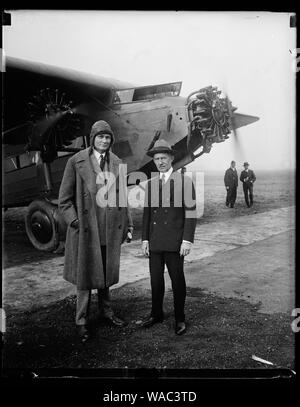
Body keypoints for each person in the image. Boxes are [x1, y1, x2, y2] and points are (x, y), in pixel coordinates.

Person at [58, 120, 133, 341]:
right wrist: (75, 222)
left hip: (109, 230)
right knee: (85, 277)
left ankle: (107, 312)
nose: (104, 140)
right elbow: (64, 200)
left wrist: (128, 226)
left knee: (105, 273)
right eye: (100, 137)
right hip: (86, 231)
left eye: (108, 137)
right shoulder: (76, 161)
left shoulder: (118, 163)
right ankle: (81, 320)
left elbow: (123, 199)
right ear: (93, 139)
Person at [141, 139, 197, 335]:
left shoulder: (185, 181)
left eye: (164, 157)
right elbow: (147, 214)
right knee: (155, 281)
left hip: (175, 243)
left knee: (177, 281)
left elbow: (191, 213)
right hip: (155, 242)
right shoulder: (151, 184)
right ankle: (156, 313)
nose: (160, 162)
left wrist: (187, 240)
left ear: (172, 158)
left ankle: (180, 318)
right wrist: (145, 240)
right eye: (157, 158)